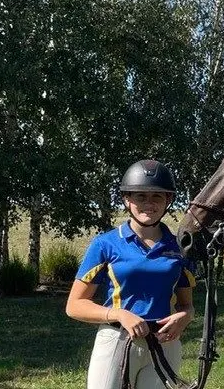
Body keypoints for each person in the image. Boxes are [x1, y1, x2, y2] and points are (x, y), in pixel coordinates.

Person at [66, 160, 196, 389]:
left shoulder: (179, 247)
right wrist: (119, 314)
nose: (149, 204)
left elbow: (187, 305)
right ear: (127, 199)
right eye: (140, 196)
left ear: (168, 200)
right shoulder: (105, 244)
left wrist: (184, 317)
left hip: (165, 343)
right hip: (117, 339)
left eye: (157, 197)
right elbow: (75, 305)